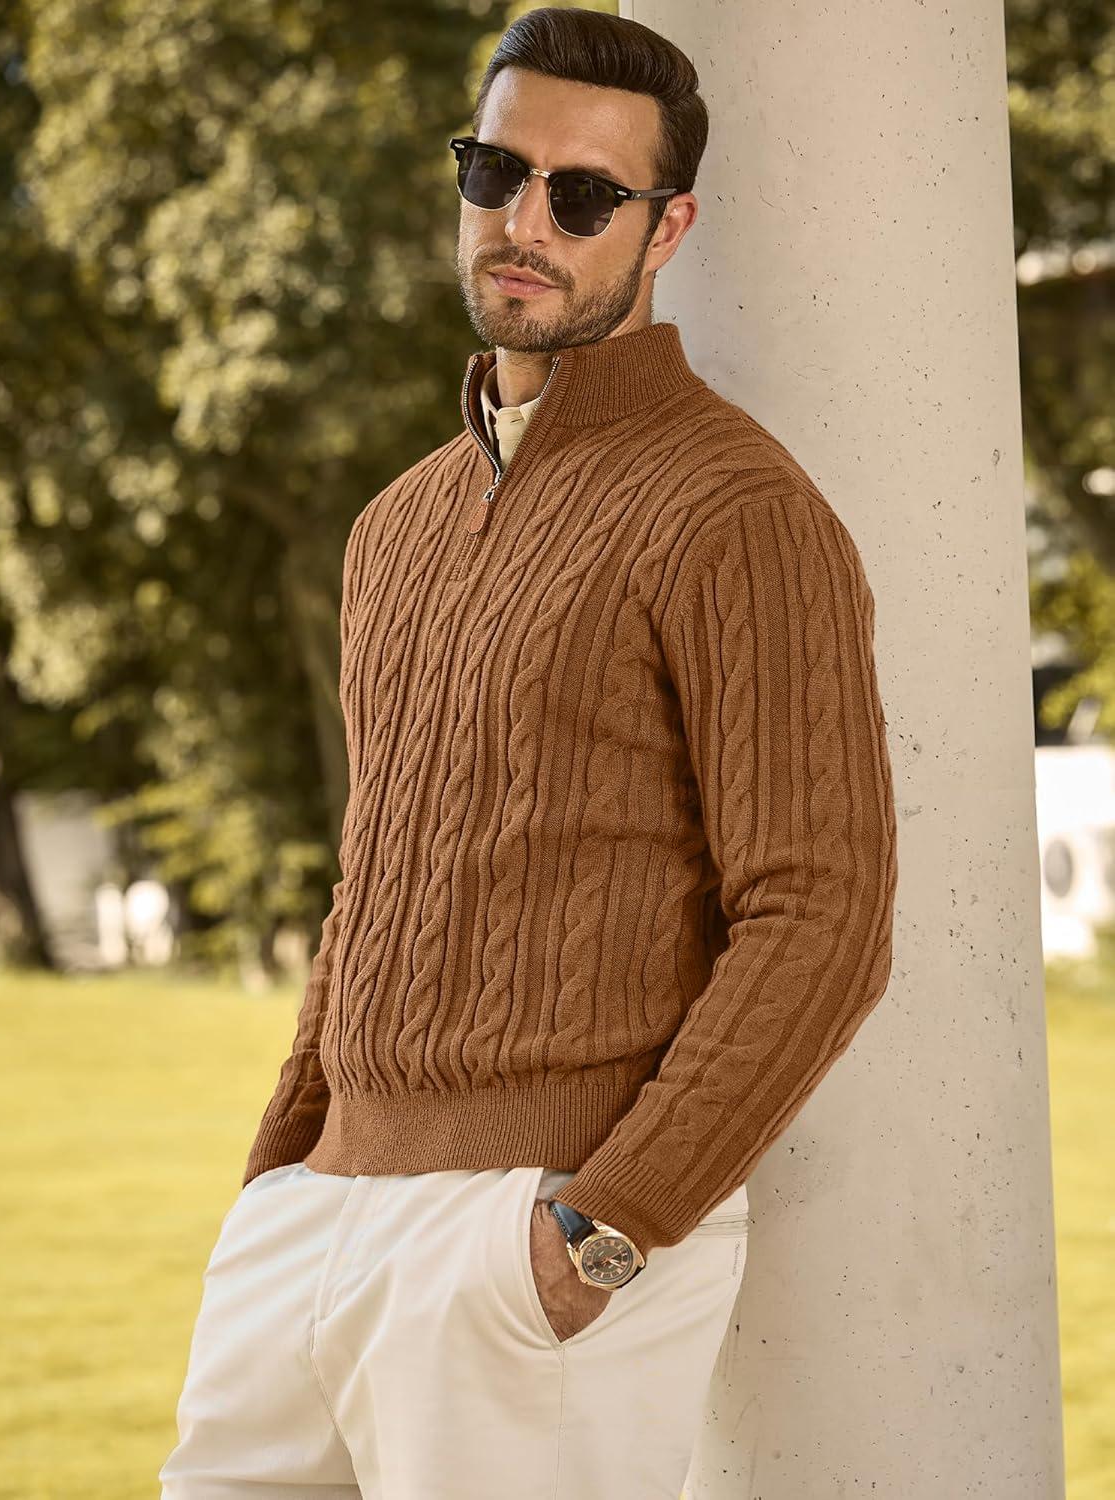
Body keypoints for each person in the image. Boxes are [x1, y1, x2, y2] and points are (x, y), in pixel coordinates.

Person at [159, 7, 898, 1497]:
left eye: (586, 194)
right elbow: (375, 883)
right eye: (497, 172)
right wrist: (279, 1170)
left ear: (666, 227)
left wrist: (602, 1229)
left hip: (530, 1244)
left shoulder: (736, 509)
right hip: (314, 1226)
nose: (525, 222)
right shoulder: (395, 528)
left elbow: (823, 911)